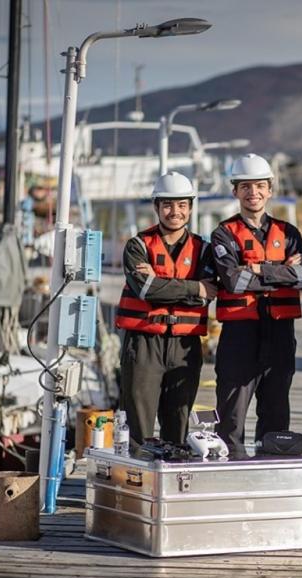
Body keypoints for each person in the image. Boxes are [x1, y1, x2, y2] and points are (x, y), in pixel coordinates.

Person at [211, 153, 302, 453]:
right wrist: (281, 271)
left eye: (259, 186)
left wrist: (256, 268)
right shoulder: (223, 234)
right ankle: (229, 471)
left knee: (276, 409)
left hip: (280, 331)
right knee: (231, 414)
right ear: (235, 191)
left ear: (270, 189)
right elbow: (233, 281)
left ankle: (270, 466)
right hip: (240, 333)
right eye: (245, 186)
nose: (253, 192)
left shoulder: (289, 233)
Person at [116, 171, 217, 445]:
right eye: (169, 205)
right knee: (138, 427)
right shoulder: (137, 246)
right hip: (144, 344)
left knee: (178, 423)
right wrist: (193, 287)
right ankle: (136, 482)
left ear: (191, 207)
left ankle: (173, 477)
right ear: (157, 207)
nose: (176, 211)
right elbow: (145, 290)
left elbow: (208, 294)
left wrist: (161, 283)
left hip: (185, 346)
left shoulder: (204, 250)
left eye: (182, 205)